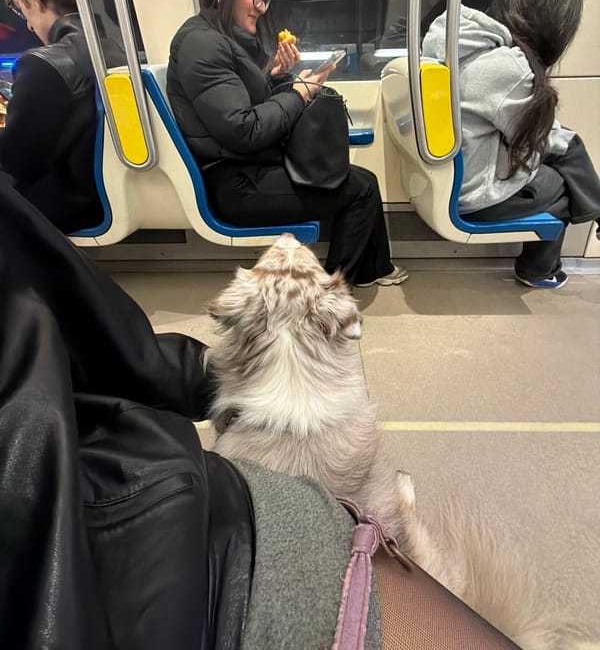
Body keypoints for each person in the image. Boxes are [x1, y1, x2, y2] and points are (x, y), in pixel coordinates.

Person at [0, 174, 523, 650]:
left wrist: (239, 375)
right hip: (147, 525)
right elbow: (106, 344)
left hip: (125, 506)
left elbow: (106, 349)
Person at [166, 0, 407, 287]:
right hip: (236, 185)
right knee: (361, 189)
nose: (261, 7)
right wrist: (300, 93)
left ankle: (373, 269)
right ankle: (329, 296)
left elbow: (237, 103)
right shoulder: (203, 45)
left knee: (362, 182)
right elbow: (244, 130)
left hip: (247, 168)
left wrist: (276, 75)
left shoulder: (217, 40)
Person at [422, 0, 600, 289]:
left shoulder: (455, 47)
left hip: (443, 180)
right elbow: (537, 140)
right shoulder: (508, 69)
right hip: (471, 196)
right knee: (561, 182)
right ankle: (538, 270)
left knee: (566, 152)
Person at [0, 0, 103, 234]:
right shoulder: (106, 46)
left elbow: (15, 162)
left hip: (67, 203)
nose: (29, 27)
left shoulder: (46, 66)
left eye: (21, 12)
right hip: (92, 194)